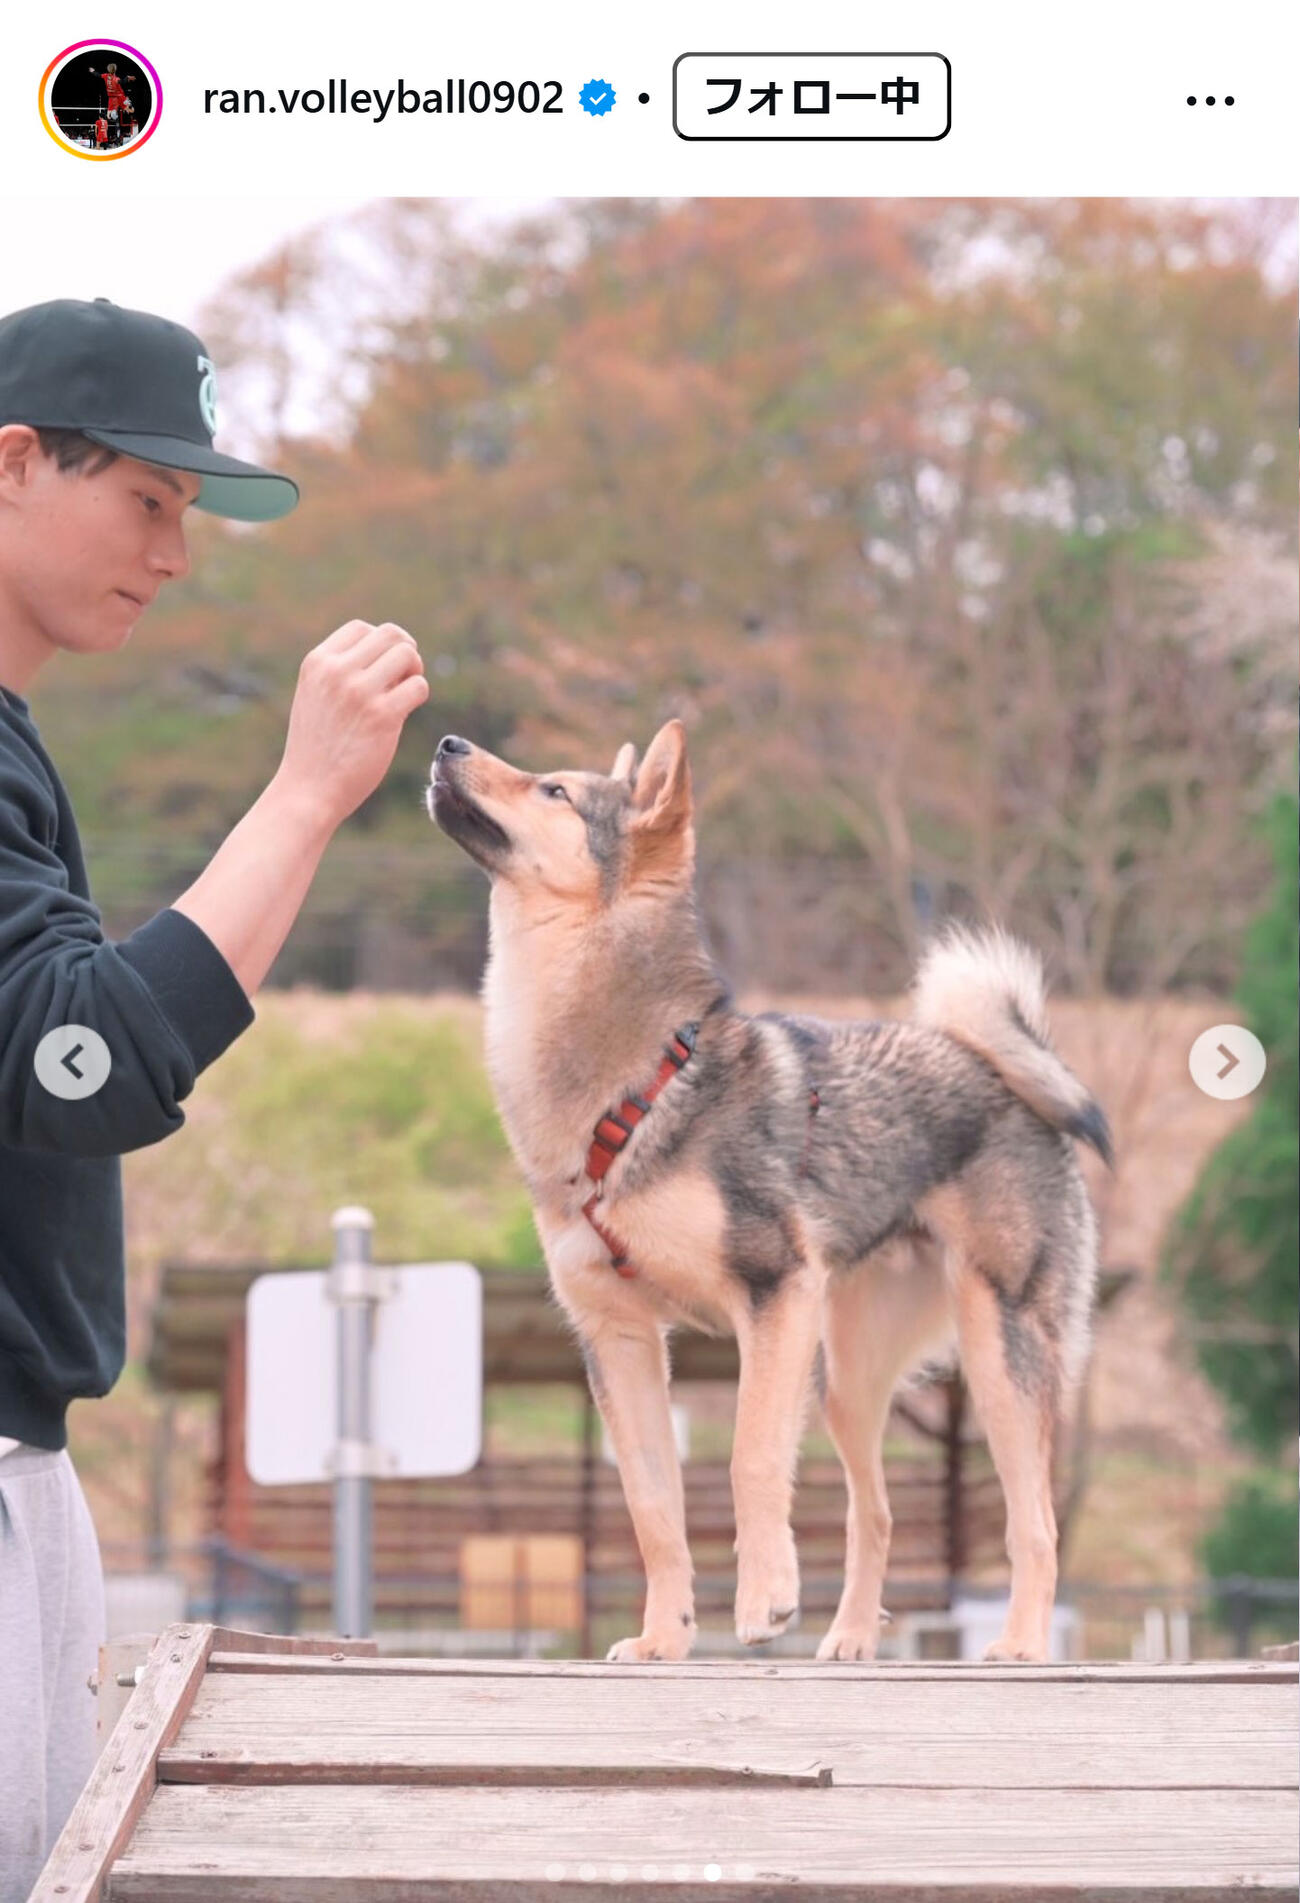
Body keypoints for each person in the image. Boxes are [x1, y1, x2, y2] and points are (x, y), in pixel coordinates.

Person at [0, 297, 429, 1899]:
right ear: (16, 461)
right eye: (148, 500)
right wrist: (308, 795)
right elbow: (82, 1060)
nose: (175, 552)